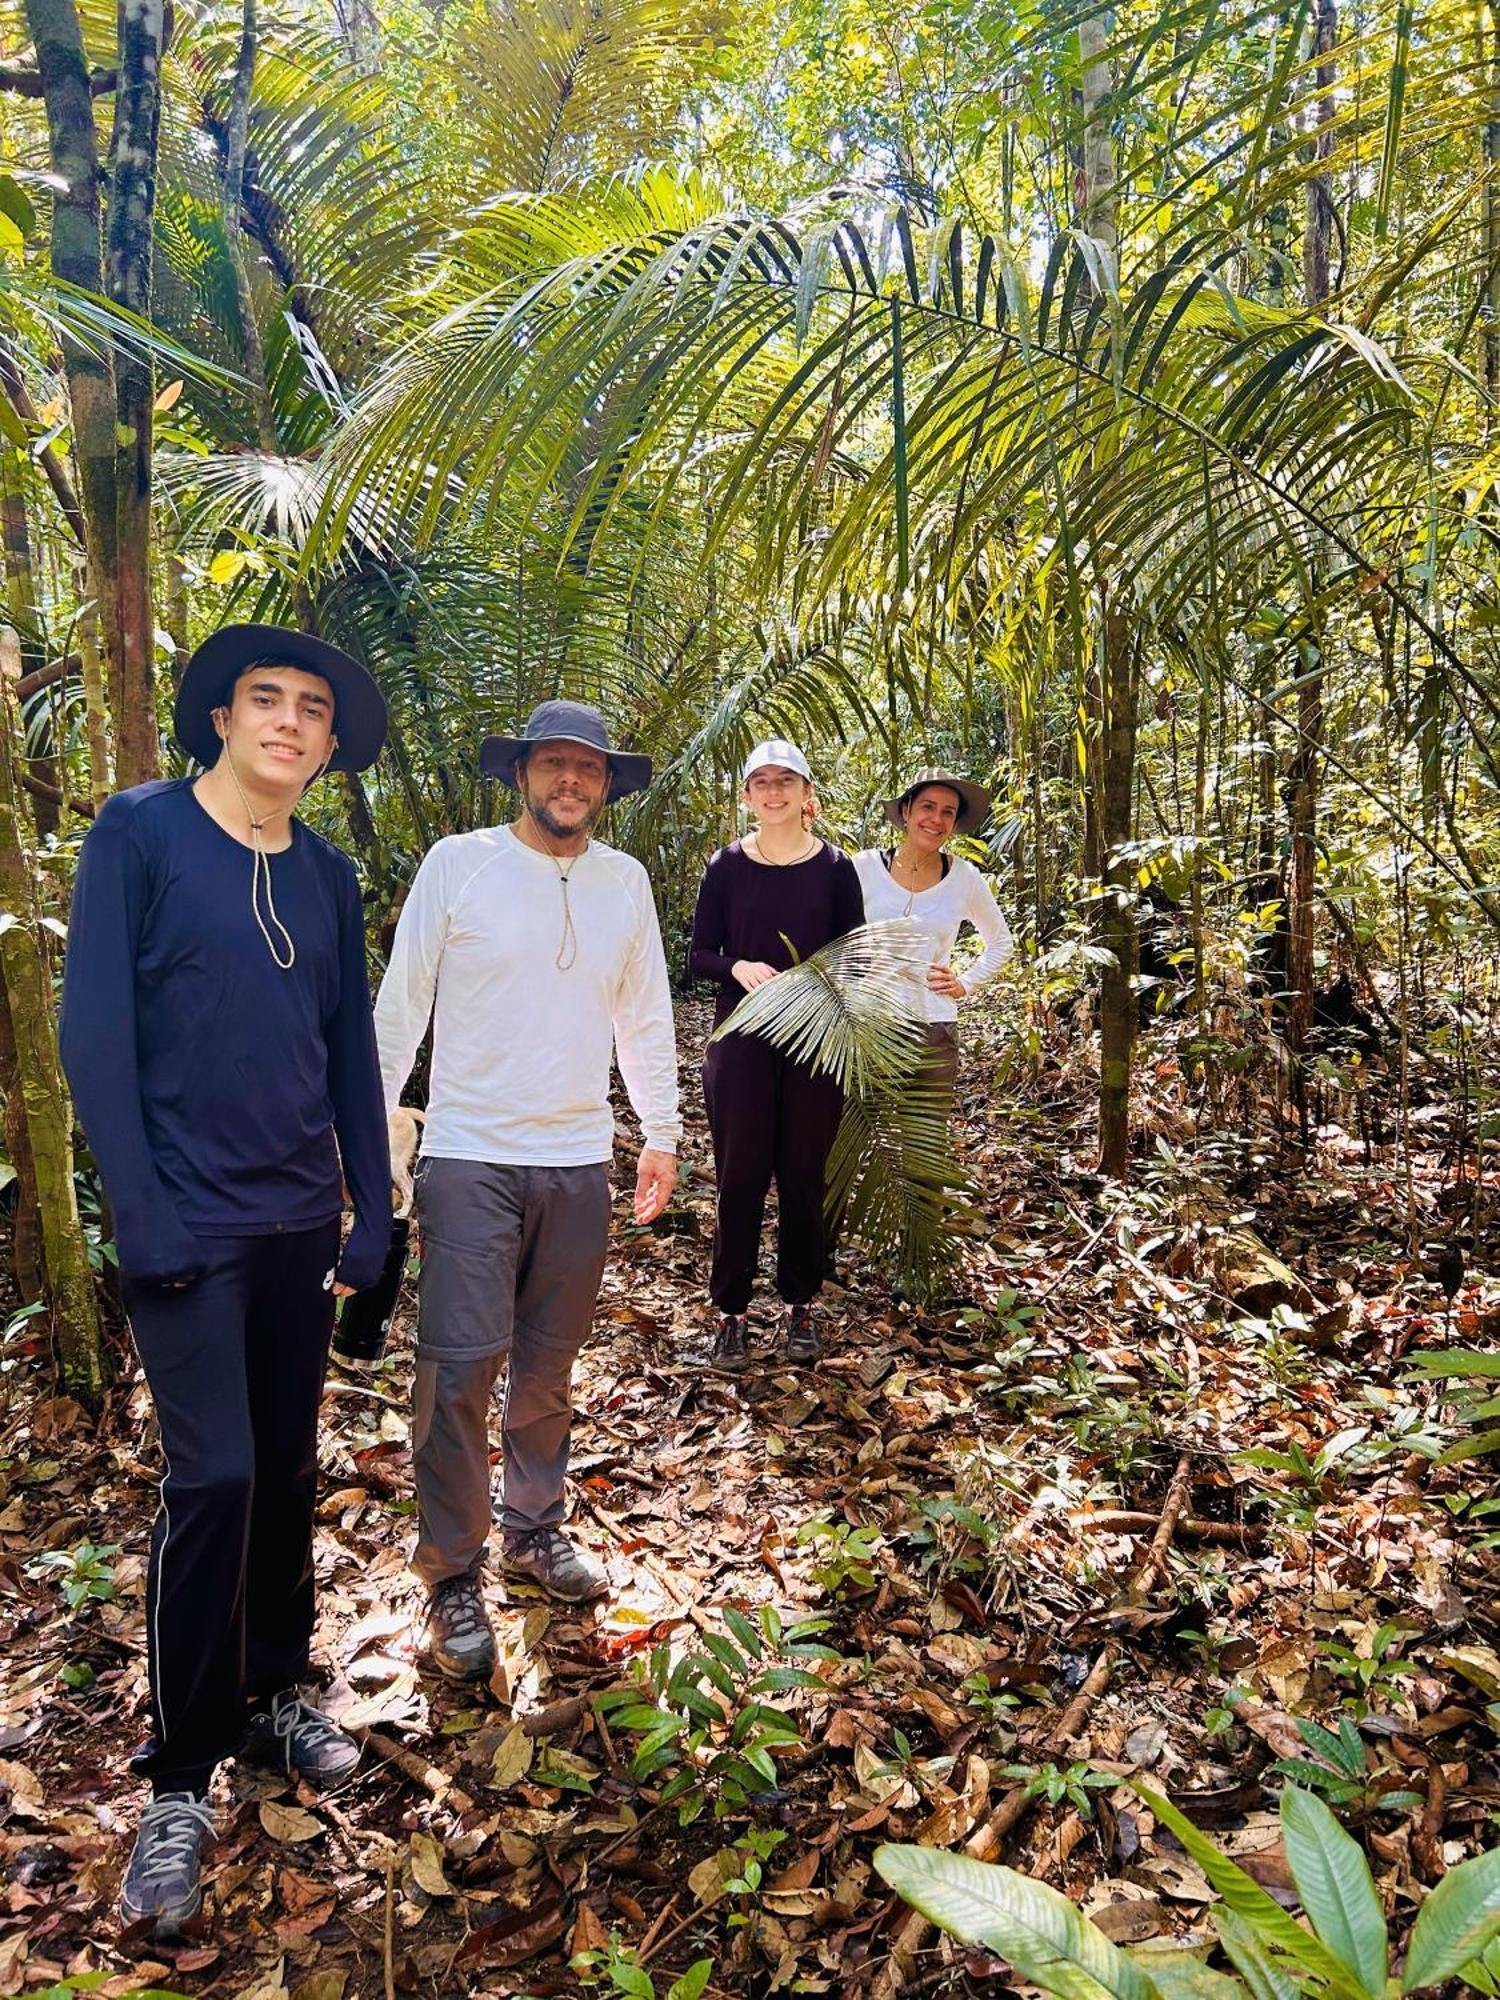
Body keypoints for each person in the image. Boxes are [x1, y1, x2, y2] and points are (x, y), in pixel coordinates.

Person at [59, 625, 392, 1943]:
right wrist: (139, 1216)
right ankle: (180, 1776)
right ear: (219, 715)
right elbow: (94, 1031)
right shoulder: (137, 836)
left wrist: (376, 1212)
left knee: (286, 1464)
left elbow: (350, 1049)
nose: (292, 723)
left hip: (297, 1221)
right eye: (269, 700)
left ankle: (269, 1690)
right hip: (184, 1229)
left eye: (314, 709)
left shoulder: (329, 875)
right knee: (215, 1478)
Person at [374, 700, 679, 1677]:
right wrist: (375, 1128)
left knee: (547, 1367)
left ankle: (535, 1527)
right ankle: (453, 1574)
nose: (570, 781)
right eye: (554, 764)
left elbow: (645, 1013)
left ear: (605, 785)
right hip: (469, 1154)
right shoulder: (458, 863)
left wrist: (661, 1132)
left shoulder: (624, 881)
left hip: (579, 1158)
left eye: (587, 769)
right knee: (458, 1370)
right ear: (522, 773)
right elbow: (402, 998)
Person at [688, 739, 864, 1375]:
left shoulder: (836, 868)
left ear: (806, 792)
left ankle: (800, 1304)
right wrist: (737, 963)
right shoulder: (726, 867)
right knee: (739, 1178)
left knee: (802, 1175)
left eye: (784, 780)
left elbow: (855, 955)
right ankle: (730, 1313)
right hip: (741, 1040)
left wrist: (824, 987)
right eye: (760, 781)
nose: (773, 791)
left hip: (816, 1041)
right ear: (747, 796)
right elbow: (698, 953)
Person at [852, 768, 1013, 1109]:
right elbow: (827, 933)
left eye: (947, 812)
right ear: (907, 811)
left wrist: (965, 982)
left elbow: (1001, 943)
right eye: (928, 806)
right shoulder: (862, 867)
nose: (936, 819)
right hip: (866, 1024)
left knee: (922, 1144)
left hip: (933, 1027)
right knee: (857, 1135)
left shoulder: (964, 877)